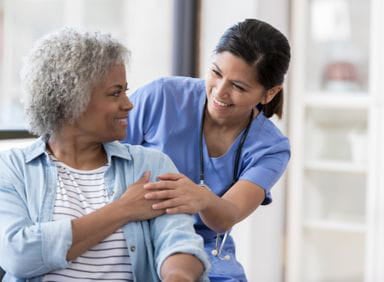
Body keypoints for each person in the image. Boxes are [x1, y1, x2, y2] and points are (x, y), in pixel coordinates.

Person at [0, 28, 209, 282]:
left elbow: (179, 242)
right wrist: (123, 209)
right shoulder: (12, 168)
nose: (128, 104)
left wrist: (178, 277)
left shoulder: (151, 165)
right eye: (115, 93)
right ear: (71, 102)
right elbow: (17, 255)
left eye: (125, 90)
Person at [123, 18, 291, 281]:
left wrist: (202, 198)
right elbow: (101, 158)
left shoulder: (271, 147)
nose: (220, 92)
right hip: (134, 235)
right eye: (216, 73)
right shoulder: (162, 97)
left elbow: (227, 216)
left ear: (269, 94)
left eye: (238, 86)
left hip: (207, 252)